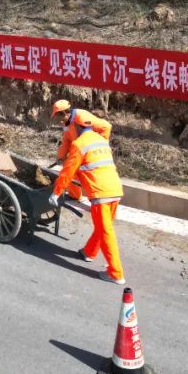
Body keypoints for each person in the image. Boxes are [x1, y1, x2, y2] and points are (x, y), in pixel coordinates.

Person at [50, 110, 125, 284]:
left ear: (76, 125)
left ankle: (116, 273)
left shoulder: (79, 144)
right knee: (103, 227)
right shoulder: (101, 140)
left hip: (100, 194)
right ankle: (89, 252)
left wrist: (56, 192)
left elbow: (67, 172)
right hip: (115, 189)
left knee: (105, 231)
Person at [51, 99, 93, 204]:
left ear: (64, 113)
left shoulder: (82, 117)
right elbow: (66, 142)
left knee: (89, 174)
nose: (58, 120)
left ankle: (98, 198)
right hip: (79, 150)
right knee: (68, 167)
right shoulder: (67, 124)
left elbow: (106, 126)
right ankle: (75, 195)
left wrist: (101, 142)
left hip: (91, 150)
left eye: (58, 116)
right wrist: (61, 157)